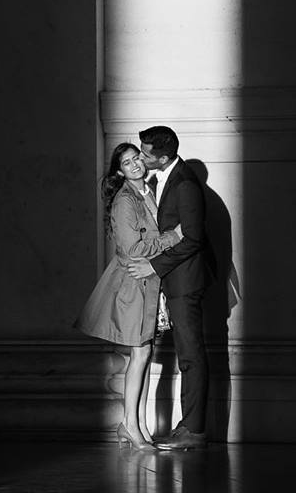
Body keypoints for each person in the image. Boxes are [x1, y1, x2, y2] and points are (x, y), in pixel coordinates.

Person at [75, 142, 181, 452]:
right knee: (140, 356)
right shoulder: (124, 200)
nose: (134, 164)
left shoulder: (147, 191)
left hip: (148, 283)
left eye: (136, 158)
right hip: (132, 286)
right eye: (126, 162)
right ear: (119, 171)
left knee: (144, 356)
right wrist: (175, 236)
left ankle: (140, 427)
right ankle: (129, 426)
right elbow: (132, 249)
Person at [127, 126, 216, 450]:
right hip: (175, 279)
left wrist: (153, 266)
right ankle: (187, 426)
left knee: (190, 355)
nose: (141, 156)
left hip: (185, 281)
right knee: (186, 354)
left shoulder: (186, 184)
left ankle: (194, 429)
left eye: (146, 153)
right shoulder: (167, 177)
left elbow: (193, 238)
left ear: (163, 157)